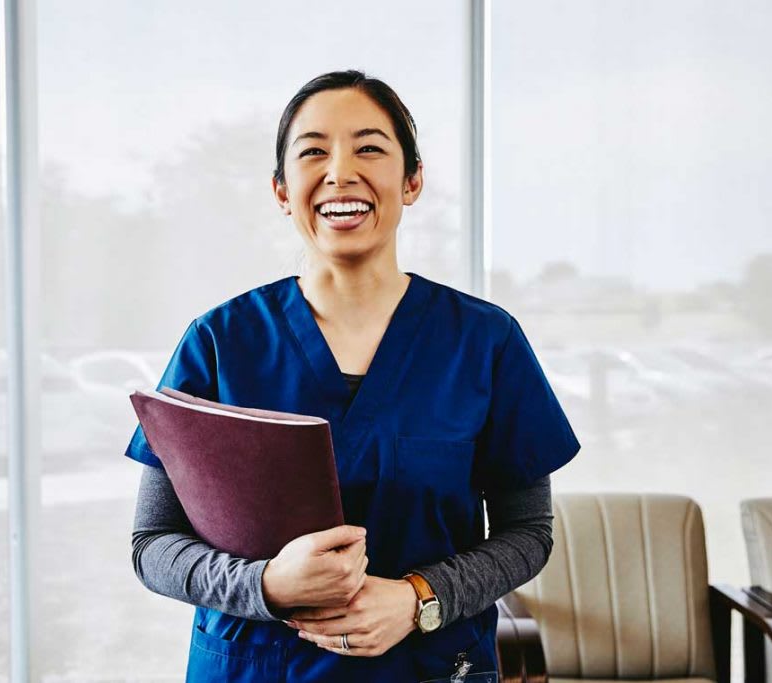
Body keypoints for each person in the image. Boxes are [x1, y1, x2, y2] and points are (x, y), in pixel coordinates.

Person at [125, 69, 581, 682]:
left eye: (369, 147)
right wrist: (265, 584)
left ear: (412, 180)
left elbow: (528, 532)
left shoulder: (484, 340)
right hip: (256, 667)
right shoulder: (219, 341)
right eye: (313, 151)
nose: (340, 171)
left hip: (430, 665)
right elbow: (152, 544)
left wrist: (421, 598)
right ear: (282, 191)